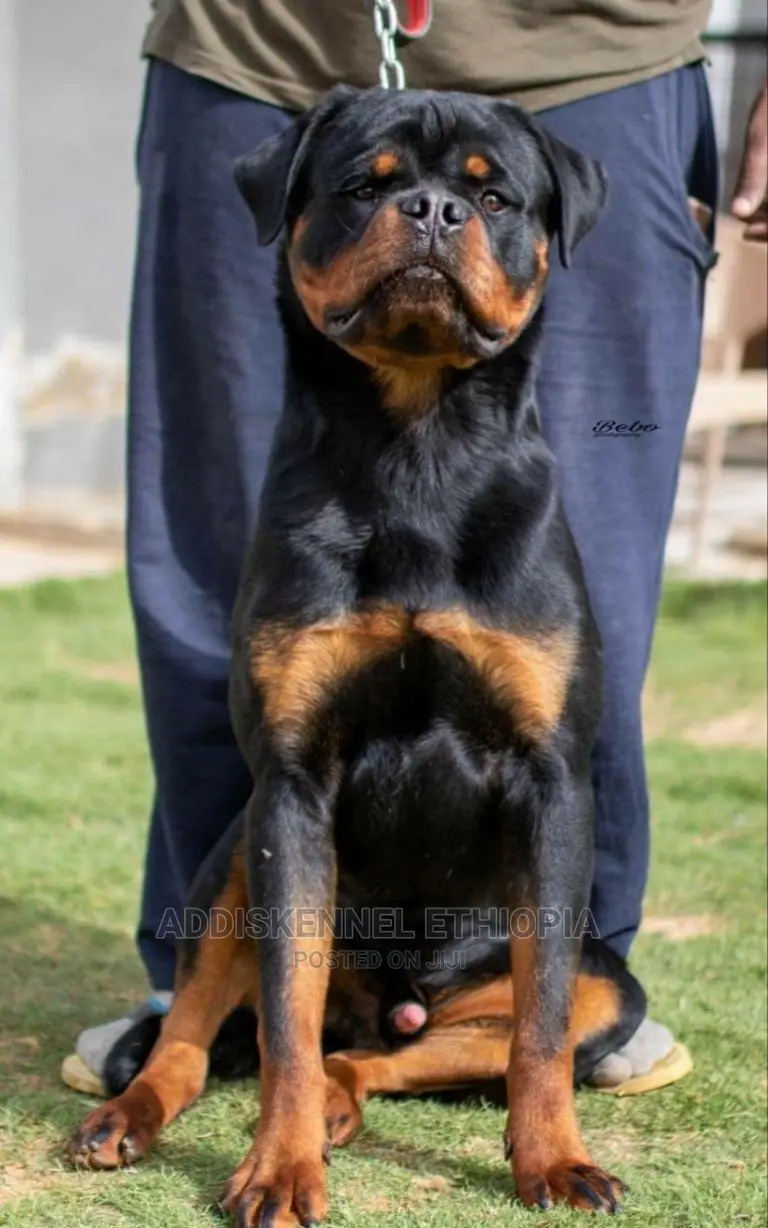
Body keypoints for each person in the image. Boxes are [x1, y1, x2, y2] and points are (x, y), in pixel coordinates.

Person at [62, 1, 768, 1096]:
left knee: (593, 578)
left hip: (595, 50)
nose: (433, 216)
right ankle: (215, 992)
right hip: (262, 41)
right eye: (389, 193)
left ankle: (556, 983)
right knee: (216, 566)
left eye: (480, 200)